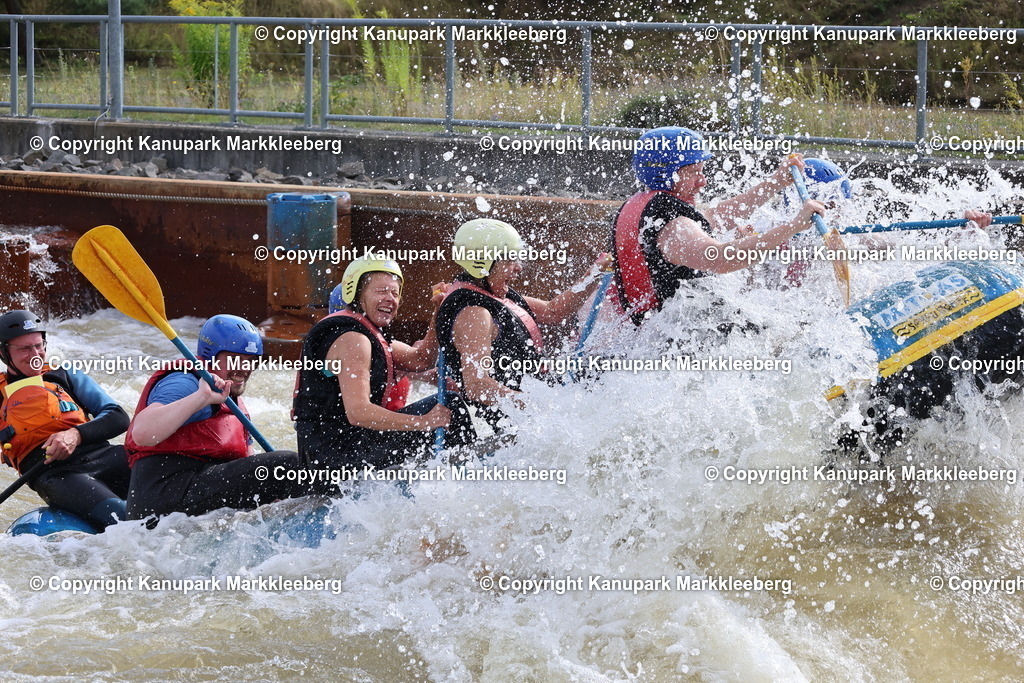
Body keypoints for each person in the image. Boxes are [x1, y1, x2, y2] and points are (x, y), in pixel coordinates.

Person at [611, 126, 825, 324]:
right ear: (666, 173)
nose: (702, 181)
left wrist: (776, 182)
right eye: (694, 172)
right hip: (681, 339)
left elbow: (719, 215)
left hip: (668, 329)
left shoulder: (648, 206)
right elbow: (720, 258)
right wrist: (793, 226)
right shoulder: (674, 226)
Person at [294, 256, 476, 472]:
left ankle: (457, 472)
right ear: (356, 293)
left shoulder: (370, 335)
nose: (390, 298)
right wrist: (423, 422)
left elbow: (421, 359)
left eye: (395, 293)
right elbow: (359, 412)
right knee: (451, 405)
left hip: (345, 449)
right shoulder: (352, 338)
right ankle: (470, 474)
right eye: (381, 291)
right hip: (335, 460)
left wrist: (439, 311)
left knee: (448, 403)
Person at [125, 314, 306, 520]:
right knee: (286, 465)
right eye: (235, 359)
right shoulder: (186, 383)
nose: (244, 369)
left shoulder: (231, 397)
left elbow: (245, 464)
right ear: (211, 356)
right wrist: (201, 398)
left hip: (195, 491)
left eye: (251, 361)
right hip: (162, 499)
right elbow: (142, 433)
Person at [435, 218, 610, 431]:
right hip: (512, 428)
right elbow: (477, 386)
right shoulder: (474, 314)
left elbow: (554, 311)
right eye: (510, 260)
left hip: (532, 411)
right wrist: (538, 405)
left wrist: (595, 273)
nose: (519, 267)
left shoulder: (495, 295)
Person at [0, 310, 129, 529]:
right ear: (4, 353)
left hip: (104, 455)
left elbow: (118, 417)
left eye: (39, 345)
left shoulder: (65, 375)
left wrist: (76, 434)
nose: (35, 354)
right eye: (24, 349)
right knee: (122, 517)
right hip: (58, 475)